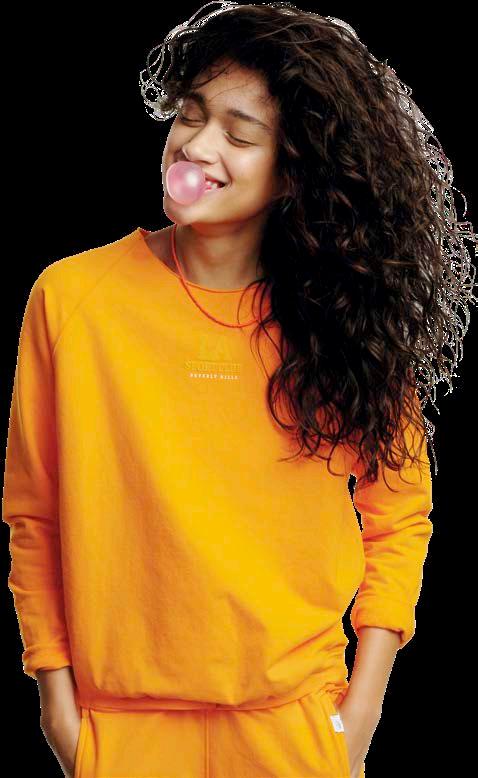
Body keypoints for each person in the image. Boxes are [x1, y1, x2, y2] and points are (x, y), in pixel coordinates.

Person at [4, 3, 476, 777]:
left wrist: (360, 713)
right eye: (191, 115)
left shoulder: (342, 318)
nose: (197, 146)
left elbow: (398, 509)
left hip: (292, 729)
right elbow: (35, 512)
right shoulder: (71, 298)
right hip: (121, 729)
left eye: (239, 133)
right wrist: (57, 702)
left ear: (292, 171)